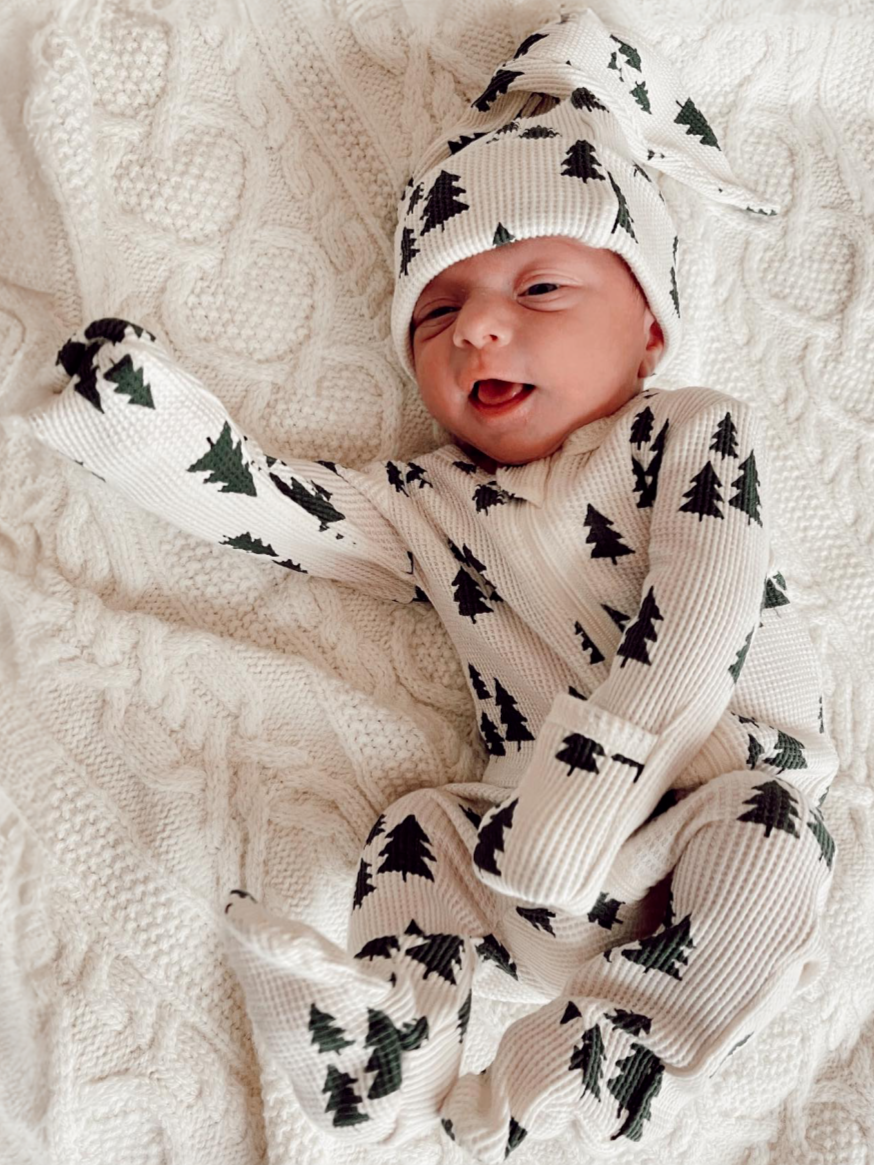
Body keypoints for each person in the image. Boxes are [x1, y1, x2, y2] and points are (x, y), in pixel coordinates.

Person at [18, 8, 839, 1161]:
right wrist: (147, 427)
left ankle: (580, 1076)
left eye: (540, 290)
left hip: (709, 811)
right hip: (521, 862)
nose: (479, 333)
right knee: (420, 839)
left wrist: (595, 775)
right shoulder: (433, 501)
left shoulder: (690, 437)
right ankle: (388, 1046)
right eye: (437, 313)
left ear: (649, 332)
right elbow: (287, 515)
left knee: (784, 848)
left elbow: (702, 608)